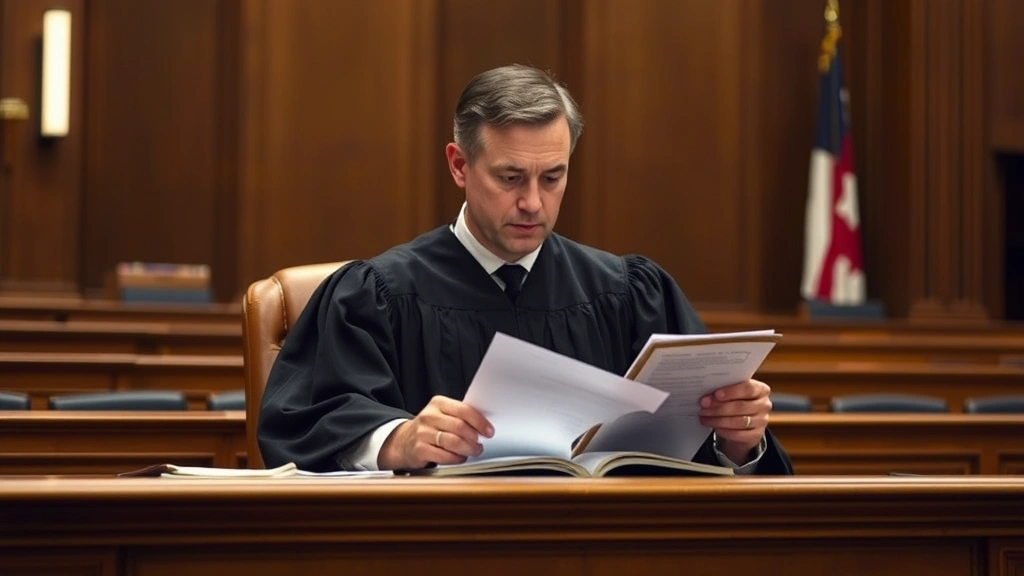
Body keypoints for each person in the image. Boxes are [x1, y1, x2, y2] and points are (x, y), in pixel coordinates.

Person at [258, 64, 793, 475]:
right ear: (459, 166)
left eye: (553, 177)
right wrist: (396, 440)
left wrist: (737, 438)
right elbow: (300, 425)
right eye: (510, 177)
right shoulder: (377, 296)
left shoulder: (630, 294)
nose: (534, 203)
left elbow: (696, 451)